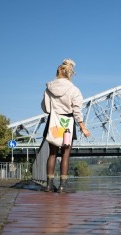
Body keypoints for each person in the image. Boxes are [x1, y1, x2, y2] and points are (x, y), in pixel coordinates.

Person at [41, 59, 90, 192]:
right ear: (70, 74)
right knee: (65, 155)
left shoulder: (49, 88)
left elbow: (45, 108)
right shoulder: (74, 90)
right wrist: (83, 127)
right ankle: (63, 185)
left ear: (58, 72)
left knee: (52, 154)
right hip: (67, 124)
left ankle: (49, 185)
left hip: (53, 122)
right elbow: (76, 110)